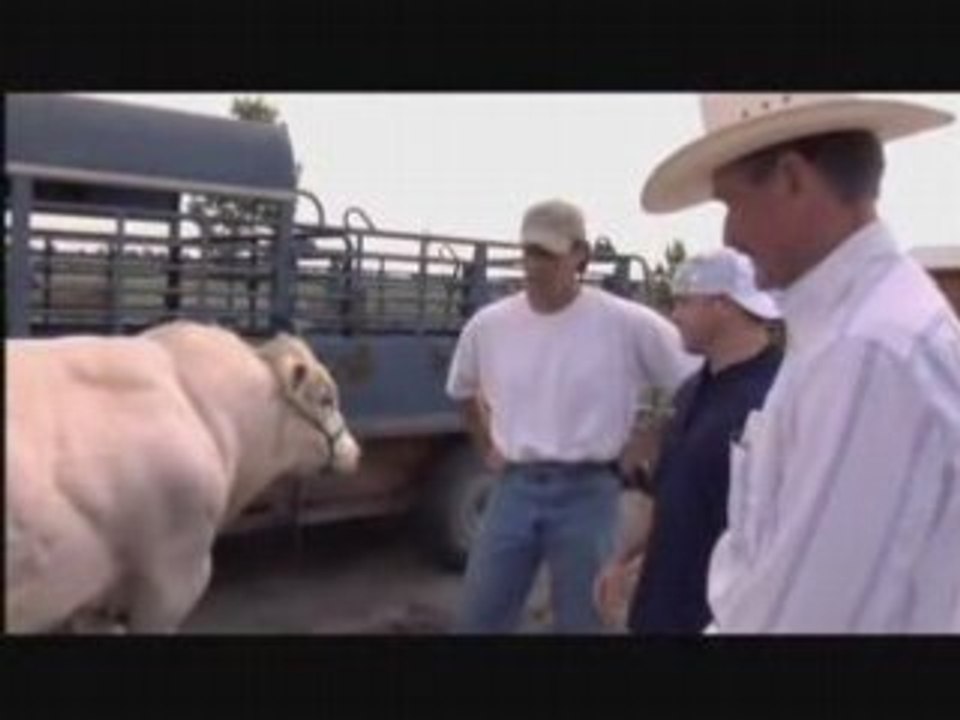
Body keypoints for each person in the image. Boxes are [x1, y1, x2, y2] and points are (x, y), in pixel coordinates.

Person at [640, 93, 960, 633]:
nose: (729, 237)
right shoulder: (864, 328)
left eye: (731, 203)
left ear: (791, 178)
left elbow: (800, 622)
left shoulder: (865, 353)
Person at [445, 198, 698, 633]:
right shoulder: (489, 326)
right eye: (528, 252)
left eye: (547, 253)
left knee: (586, 621)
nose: (534, 264)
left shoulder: (627, 323)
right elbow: (462, 391)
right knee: (478, 620)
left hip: (590, 493)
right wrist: (487, 446)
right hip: (513, 489)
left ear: (581, 255)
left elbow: (700, 383)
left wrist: (649, 441)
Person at [595, 247, 783, 634]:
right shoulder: (690, 391)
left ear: (723, 305)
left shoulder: (780, 401)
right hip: (659, 612)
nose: (673, 315)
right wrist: (624, 561)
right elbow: (670, 497)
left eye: (683, 302)